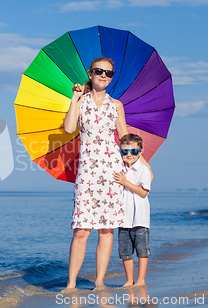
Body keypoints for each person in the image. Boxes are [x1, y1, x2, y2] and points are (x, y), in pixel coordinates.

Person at [62, 57, 128, 291]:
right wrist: (75, 99)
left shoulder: (116, 105)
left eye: (108, 73)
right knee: (81, 230)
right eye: (99, 71)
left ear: (112, 78)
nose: (103, 75)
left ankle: (99, 282)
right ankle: (71, 284)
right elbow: (69, 128)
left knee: (107, 229)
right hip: (88, 171)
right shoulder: (81, 101)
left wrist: (142, 163)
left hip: (112, 171)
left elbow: (124, 139)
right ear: (90, 73)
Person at [113, 134, 152, 288]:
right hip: (123, 218)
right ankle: (129, 280)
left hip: (140, 218)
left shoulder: (143, 169)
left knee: (142, 250)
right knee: (125, 251)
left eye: (133, 151)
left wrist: (125, 182)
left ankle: (141, 280)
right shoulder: (120, 169)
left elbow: (143, 192)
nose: (129, 155)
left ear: (140, 152)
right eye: (124, 152)